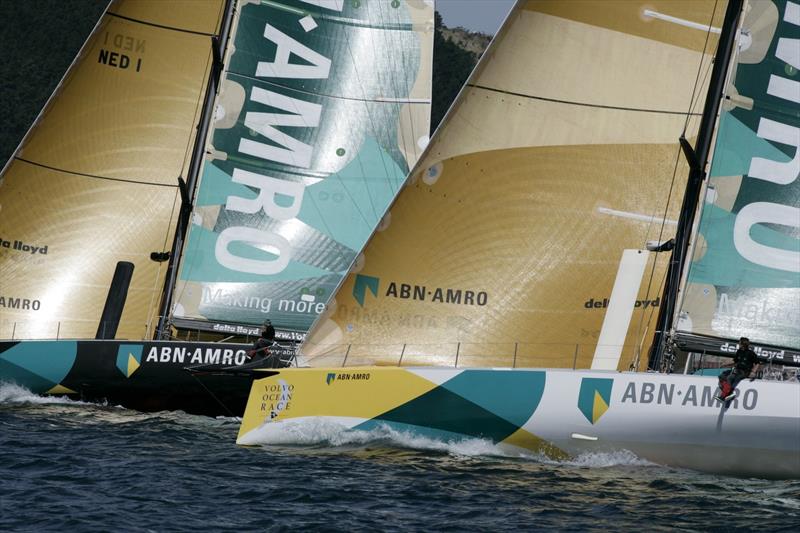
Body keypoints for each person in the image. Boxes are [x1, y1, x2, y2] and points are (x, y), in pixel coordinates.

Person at [716, 337, 760, 402]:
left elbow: (757, 363)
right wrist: (725, 364)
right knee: (722, 376)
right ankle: (730, 394)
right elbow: (735, 361)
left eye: (739, 343)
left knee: (730, 377)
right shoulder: (739, 351)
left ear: (743, 344)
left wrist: (753, 372)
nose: (738, 344)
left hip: (744, 371)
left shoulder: (751, 353)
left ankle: (723, 396)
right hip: (737, 369)